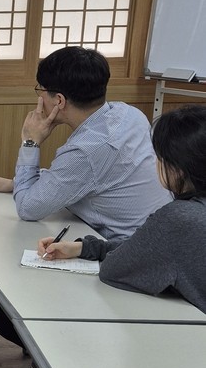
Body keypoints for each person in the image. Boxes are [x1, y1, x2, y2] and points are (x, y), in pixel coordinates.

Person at [0, 46, 171, 348]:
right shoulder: (128, 114)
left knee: (6, 315)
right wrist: (20, 183)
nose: (39, 99)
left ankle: (64, 355)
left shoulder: (87, 150)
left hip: (122, 259)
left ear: (59, 101)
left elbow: (28, 208)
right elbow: (93, 178)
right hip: (158, 249)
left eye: (41, 91)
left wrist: (30, 142)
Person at [37, 104, 206, 314]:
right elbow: (143, 249)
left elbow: (114, 270)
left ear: (177, 168)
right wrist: (85, 248)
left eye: (159, 157)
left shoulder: (179, 217)